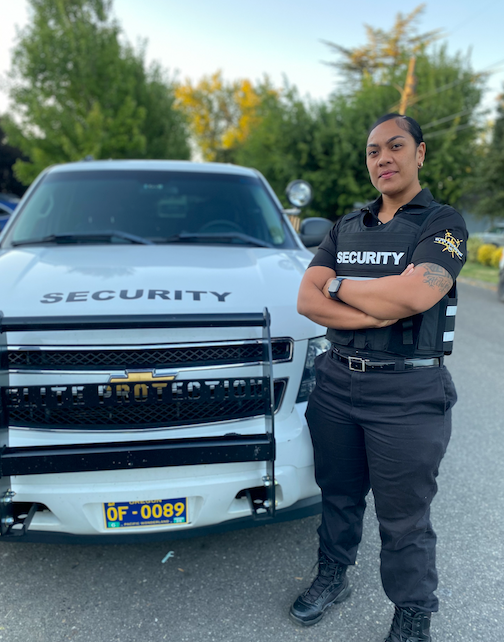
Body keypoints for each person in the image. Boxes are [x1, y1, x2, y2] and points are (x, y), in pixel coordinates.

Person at [291, 113, 467, 642]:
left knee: (404, 516)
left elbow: (418, 294)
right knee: (337, 495)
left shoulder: (443, 223)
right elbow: (305, 299)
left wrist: (339, 285)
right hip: (338, 385)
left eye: (395, 146)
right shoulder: (347, 226)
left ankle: (413, 614)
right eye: (372, 151)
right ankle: (333, 576)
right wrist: (375, 308)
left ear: (420, 153)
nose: (382, 159)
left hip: (409, 393)